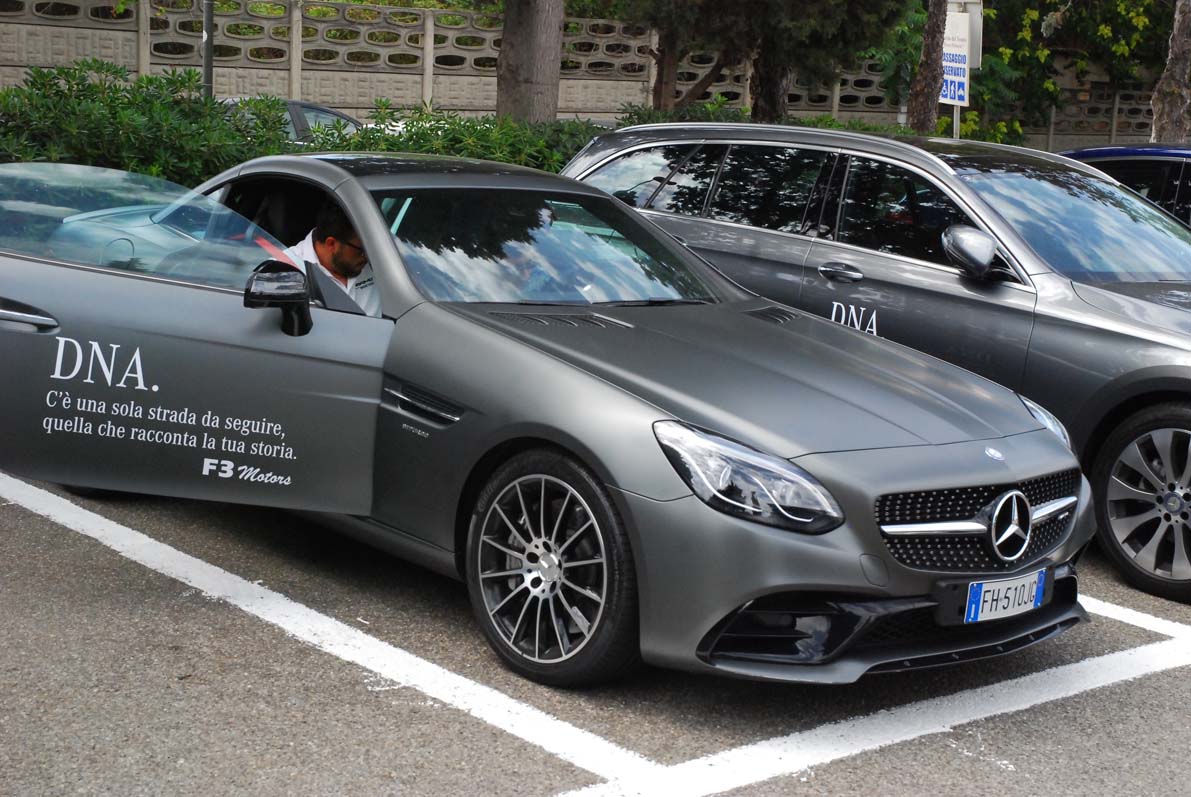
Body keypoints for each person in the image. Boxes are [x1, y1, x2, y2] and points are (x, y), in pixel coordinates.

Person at [284, 201, 381, 317]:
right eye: (361, 250)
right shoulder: (286, 271)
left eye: (371, 249)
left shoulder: (381, 258)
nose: (368, 256)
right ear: (331, 244)